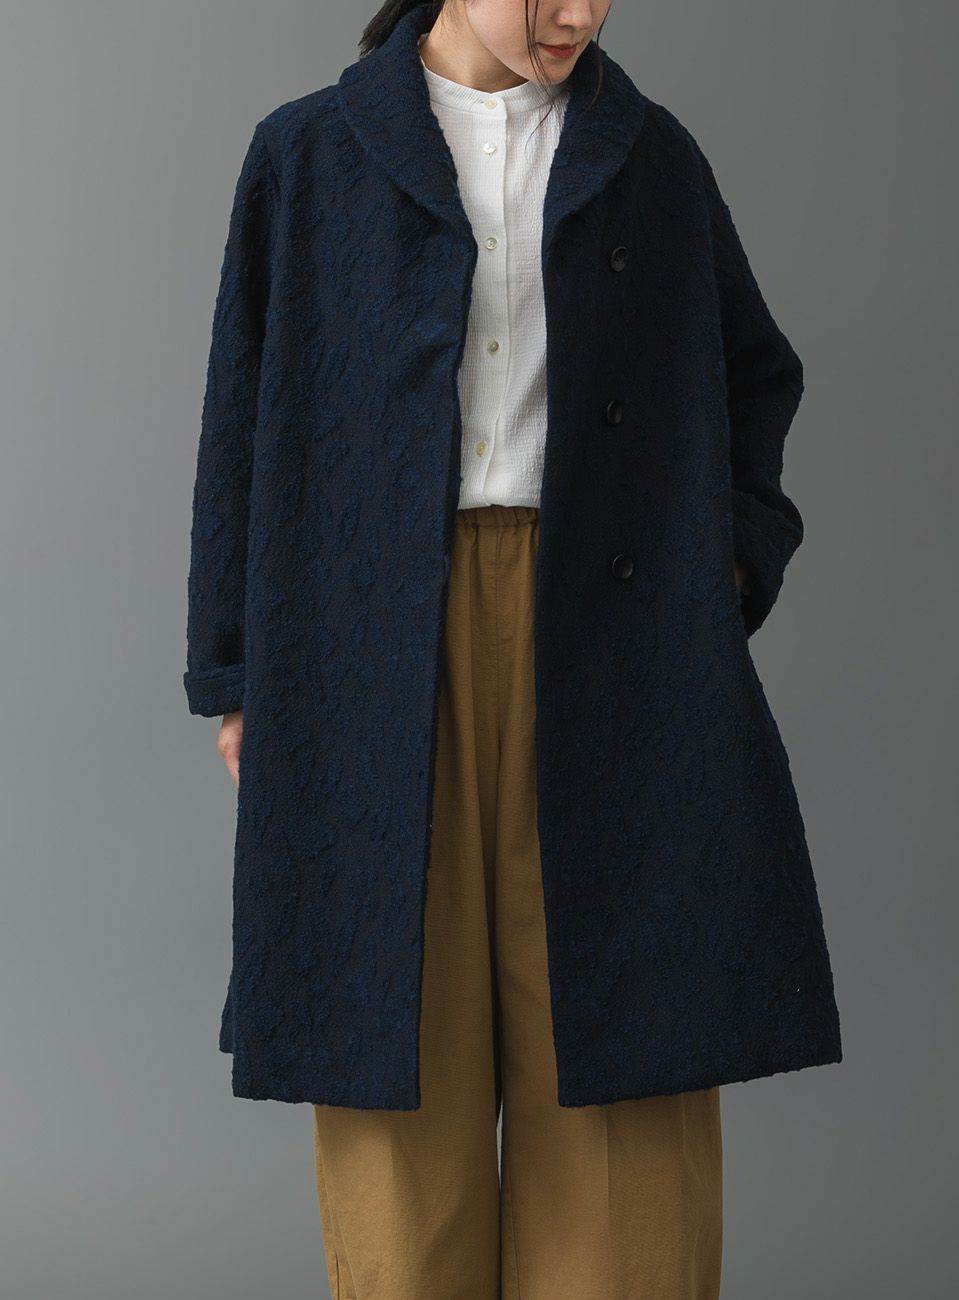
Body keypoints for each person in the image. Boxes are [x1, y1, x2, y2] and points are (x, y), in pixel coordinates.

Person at [183, 2, 843, 1296]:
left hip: (615, 631)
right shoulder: (307, 155)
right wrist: (238, 674)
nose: (580, 11)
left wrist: (723, 565)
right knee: (393, 1056)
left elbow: (756, 372)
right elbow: (239, 417)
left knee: (622, 1071)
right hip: (367, 638)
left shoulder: (651, 158)